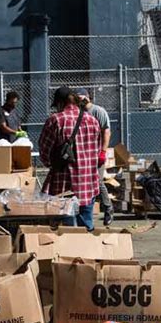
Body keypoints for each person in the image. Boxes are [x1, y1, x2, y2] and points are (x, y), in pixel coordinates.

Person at [39, 86, 101, 230]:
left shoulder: (56, 120)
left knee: (65, 228)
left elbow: (44, 148)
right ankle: (88, 247)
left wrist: (51, 163)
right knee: (86, 224)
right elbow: (97, 150)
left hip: (64, 182)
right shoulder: (92, 120)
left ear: (61, 103)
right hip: (88, 181)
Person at [75, 88, 114, 226]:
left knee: (97, 181)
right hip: (83, 154)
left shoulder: (98, 111)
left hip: (96, 153)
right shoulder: (77, 113)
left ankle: (108, 207)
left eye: (82, 98)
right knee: (84, 183)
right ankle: (84, 213)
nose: (80, 101)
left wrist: (103, 152)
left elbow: (106, 132)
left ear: (87, 97)